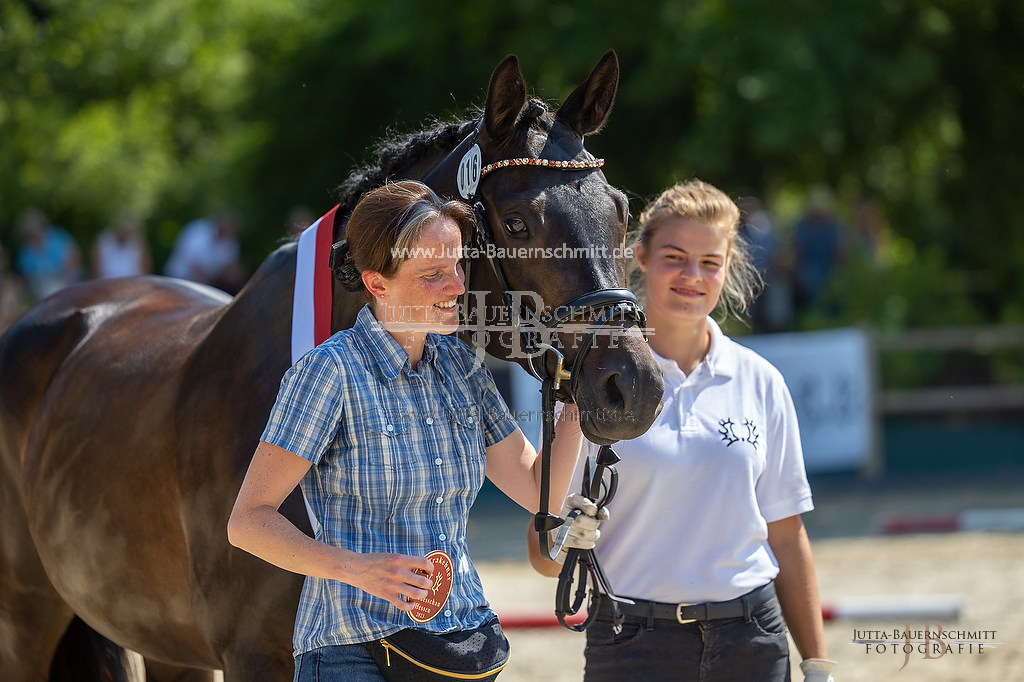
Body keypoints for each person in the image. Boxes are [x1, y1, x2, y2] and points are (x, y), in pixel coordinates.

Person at [227, 180, 589, 681]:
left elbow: (538, 491)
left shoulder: (463, 365)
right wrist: (356, 569)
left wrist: (575, 394)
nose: (459, 285)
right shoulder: (329, 373)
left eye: (459, 266)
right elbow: (247, 522)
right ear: (377, 285)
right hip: (352, 651)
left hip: (463, 643)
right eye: (433, 274)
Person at [528, 180, 836, 682]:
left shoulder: (761, 380)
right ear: (641, 256)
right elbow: (542, 557)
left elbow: (787, 534)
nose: (693, 276)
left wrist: (817, 665)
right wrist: (566, 538)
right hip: (631, 644)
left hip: (753, 641)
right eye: (675, 256)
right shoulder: (591, 383)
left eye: (710, 262)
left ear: (728, 267)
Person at [163, 210, 246, 293]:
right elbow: (192, 263)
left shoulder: (231, 242)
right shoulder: (198, 230)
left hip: (208, 283)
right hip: (180, 277)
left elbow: (229, 269)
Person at [15, 206, 84, 301]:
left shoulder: (58, 237)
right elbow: (27, 278)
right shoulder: (25, 252)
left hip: (67, 279)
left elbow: (75, 259)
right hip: (42, 287)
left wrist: (65, 278)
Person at [91, 213, 153, 279]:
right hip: (106, 284)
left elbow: (146, 270)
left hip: (132, 285)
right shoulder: (104, 240)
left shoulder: (139, 244)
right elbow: (95, 268)